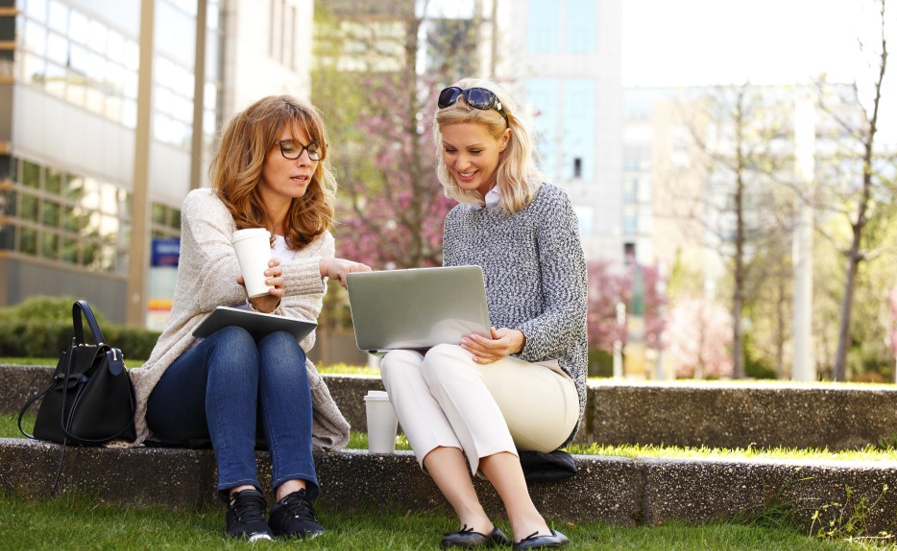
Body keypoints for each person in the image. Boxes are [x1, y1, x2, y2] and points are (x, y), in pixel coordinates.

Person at [129, 95, 370, 541]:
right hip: (186, 392)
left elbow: (299, 328)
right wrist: (313, 273)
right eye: (290, 148)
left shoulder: (317, 237)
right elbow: (224, 279)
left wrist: (282, 293)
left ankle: (292, 499)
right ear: (253, 154)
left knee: (281, 341)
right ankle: (242, 498)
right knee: (234, 333)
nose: (307, 162)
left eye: (313, 149)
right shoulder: (207, 207)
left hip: (264, 400)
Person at [380, 78, 587, 550]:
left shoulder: (548, 205)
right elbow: (453, 317)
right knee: (397, 362)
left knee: (444, 360)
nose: (461, 163)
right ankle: (474, 519)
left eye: (474, 149)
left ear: (505, 141)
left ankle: (528, 521)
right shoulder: (458, 220)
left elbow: (572, 313)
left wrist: (515, 340)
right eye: (450, 150)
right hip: (471, 376)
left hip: (548, 389)